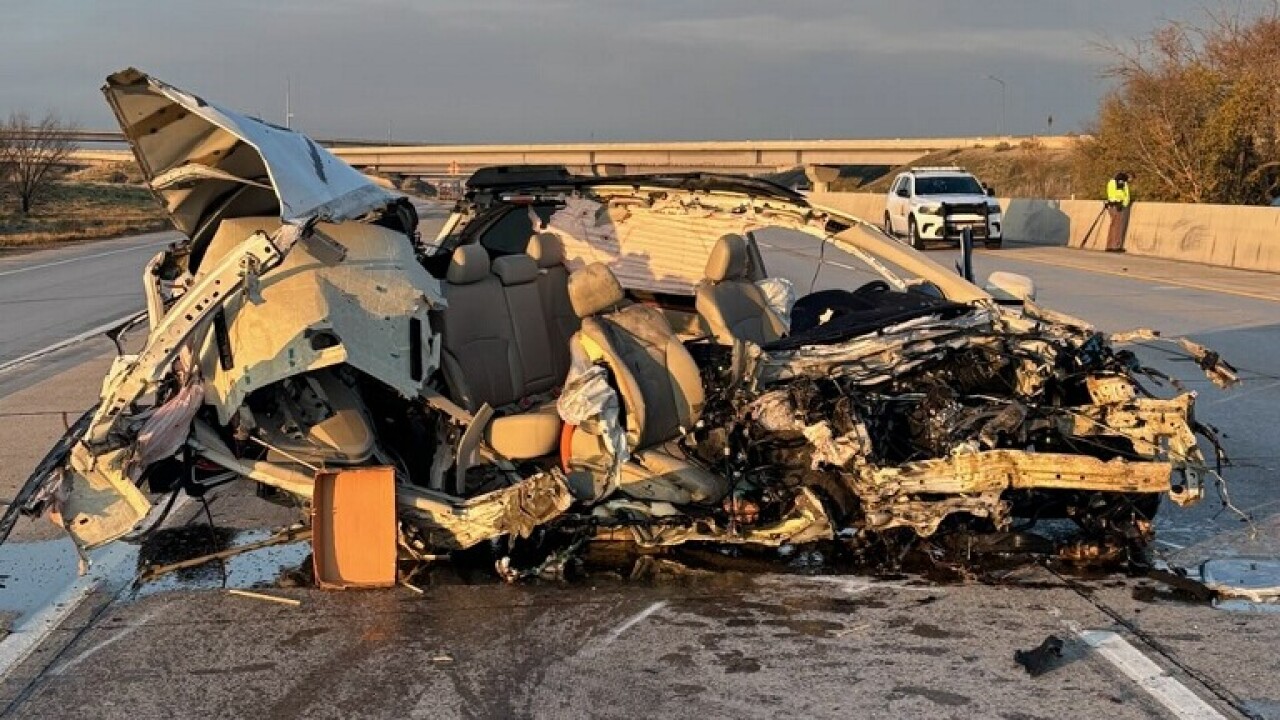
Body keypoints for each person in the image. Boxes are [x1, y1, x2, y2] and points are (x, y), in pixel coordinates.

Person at [1104, 172, 1132, 252]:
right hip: (1118, 206)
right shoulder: (1121, 181)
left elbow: (1111, 194)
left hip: (1111, 205)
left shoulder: (1111, 182)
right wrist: (1122, 203)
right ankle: (1116, 246)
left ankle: (1109, 245)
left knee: (1113, 226)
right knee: (1118, 227)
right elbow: (1121, 194)